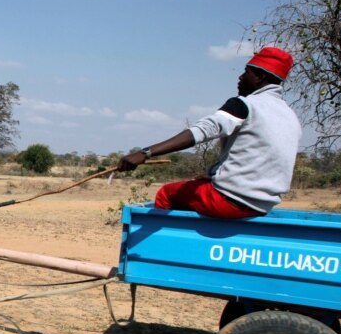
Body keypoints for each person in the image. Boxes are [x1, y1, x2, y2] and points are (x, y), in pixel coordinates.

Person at [116, 46, 302, 219]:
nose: (240, 78)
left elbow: (203, 131)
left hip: (230, 200)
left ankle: (167, 250)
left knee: (167, 194)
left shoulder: (245, 104)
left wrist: (145, 152)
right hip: (262, 205)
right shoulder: (289, 115)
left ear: (259, 77)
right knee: (196, 188)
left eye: (246, 72)